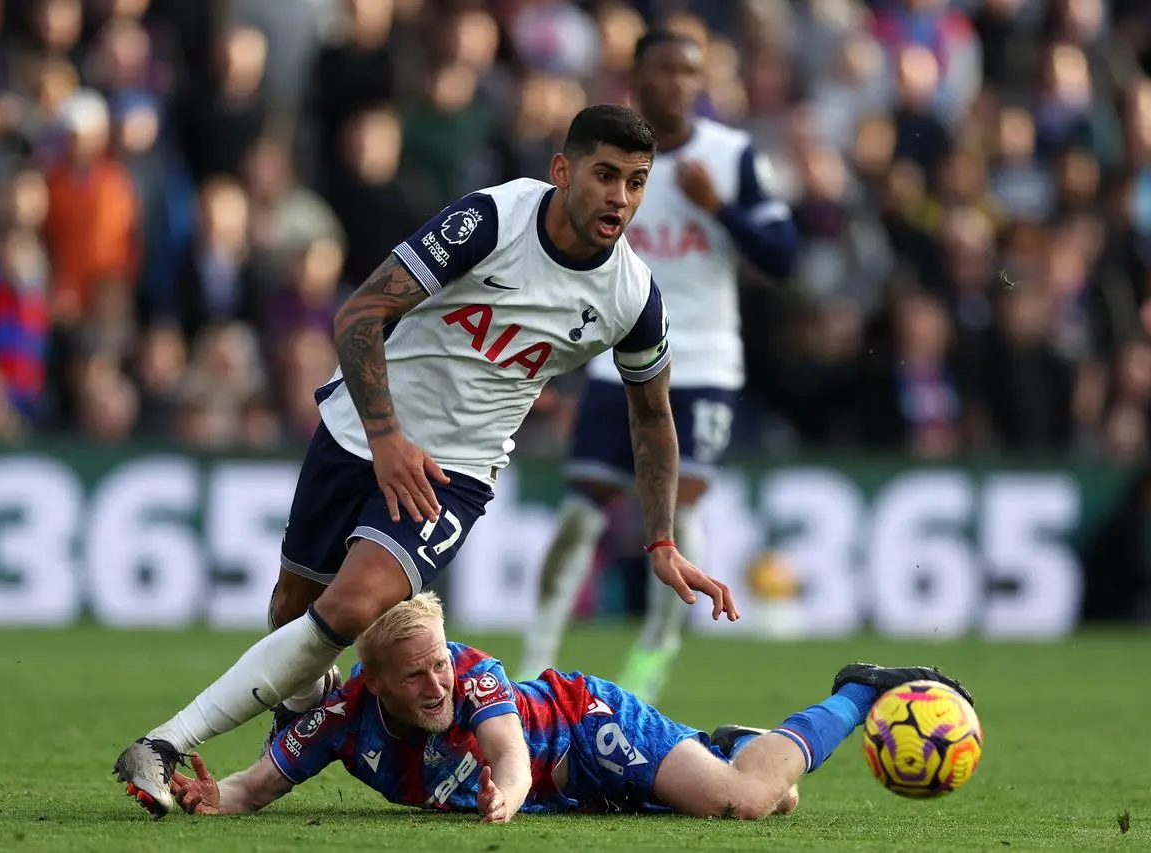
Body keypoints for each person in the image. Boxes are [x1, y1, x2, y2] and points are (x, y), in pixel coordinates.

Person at [113, 104, 741, 818]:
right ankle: (290, 743)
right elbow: (359, 315)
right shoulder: (491, 221)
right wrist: (385, 438)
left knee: (347, 607)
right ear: (562, 171)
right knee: (293, 611)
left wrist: (660, 538)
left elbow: (652, 416)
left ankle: (162, 743)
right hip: (359, 430)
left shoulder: (630, 295)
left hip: (453, 474)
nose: (619, 198)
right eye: (604, 175)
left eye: (635, 182)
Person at [517, 30, 797, 700]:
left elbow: (784, 257)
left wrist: (718, 209)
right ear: (635, 76)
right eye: (665, 69)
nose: (678, 82)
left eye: (690, 71)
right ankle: (533, 660)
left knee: (675, 505)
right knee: (582, 511)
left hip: (701, 363)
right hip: (615, 362)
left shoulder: (728, 158)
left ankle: (655, 650)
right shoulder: (601, 159)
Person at [164, 592, 973, 821]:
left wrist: (508, 790)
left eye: (439, 665)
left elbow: (508, 749)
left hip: (587, 732)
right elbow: (255, 786)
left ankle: (860, 688)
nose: (437, 684)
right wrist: (213, 796)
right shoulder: (340, 719)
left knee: (749, 799)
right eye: (415, 677)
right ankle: (731, 741)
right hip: (569, 795)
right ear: (370, 683)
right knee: (777, 788)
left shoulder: (474, 675)